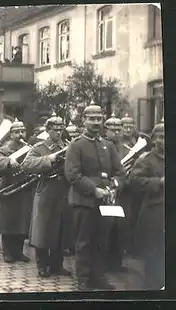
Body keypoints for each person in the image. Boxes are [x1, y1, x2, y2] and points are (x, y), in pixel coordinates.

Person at [64, 101, 125, 291]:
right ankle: (83, 279)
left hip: (106, 202)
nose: (96, 123)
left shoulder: (108, 145)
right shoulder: (76, 146)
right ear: (84, 121)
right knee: (83, 242)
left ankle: (98, 277)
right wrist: (94, 189)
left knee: (101, 241)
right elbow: (72, 175)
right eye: (91, 119)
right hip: (84, 202)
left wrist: (115, 186)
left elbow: (120, 172)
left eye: (99, 119)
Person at [21, 113, 73, 277]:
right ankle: (42, 265)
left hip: (63, 189)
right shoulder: (39, 147)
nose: (58, 132)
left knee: (61, 228)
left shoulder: (68, 145)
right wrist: (48, 159)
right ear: (48, 130)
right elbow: (26, 164)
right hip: (46, 190)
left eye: (60, 129)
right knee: (43, 229)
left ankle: (57, 264)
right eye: (55, 129)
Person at [0, 118, 32, 262]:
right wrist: (7, 161)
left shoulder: (29, 147)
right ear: (11, 134)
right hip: (8, 188)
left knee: (22, 221)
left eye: (22, 131)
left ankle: (18, 252)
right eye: (17, 132)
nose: (20, 135)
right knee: (8, 221)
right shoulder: (5, 148)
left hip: (24, 187)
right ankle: (7, 252)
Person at [129, 118, 164, 290]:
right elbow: (134, 181)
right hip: (154, 212)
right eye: (161, 137)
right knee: (153, 257)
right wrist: (159, 182)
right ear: (155, 139)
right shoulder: (146, 159)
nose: (164, 141)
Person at [103, 113, 130, 272]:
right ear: (105, 130)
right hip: (105, 192)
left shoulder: (126, 149)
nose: (116, 133)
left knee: (120, 228)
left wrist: (119, 182)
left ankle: (116, 262)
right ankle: (104, 262)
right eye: (112, 130)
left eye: (118, 129)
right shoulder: (102, 147)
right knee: (105, 228)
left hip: (122, 192)